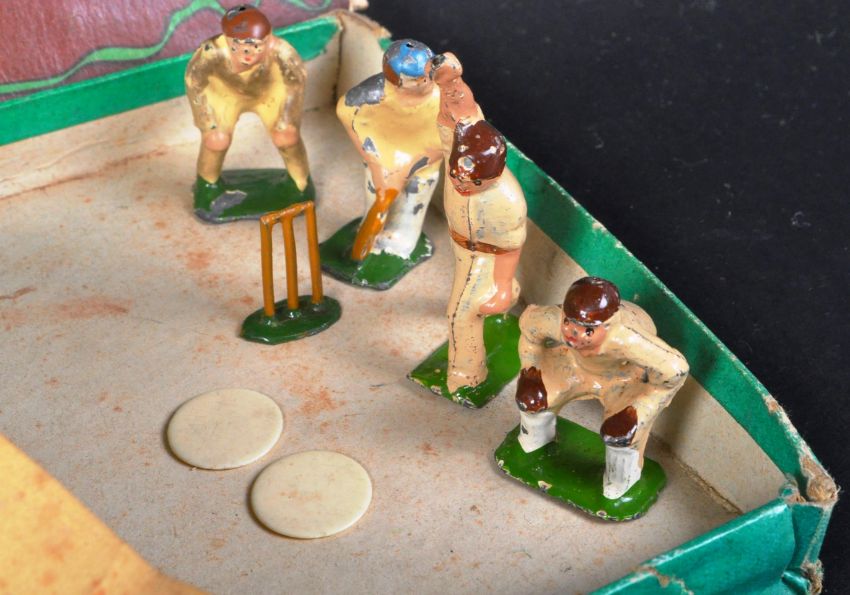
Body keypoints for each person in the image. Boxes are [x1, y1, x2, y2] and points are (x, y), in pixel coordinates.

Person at [514, 276, 689, 499]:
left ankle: (621, 483)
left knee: (621, 435)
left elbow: (675, 371)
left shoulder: (626, 340)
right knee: (532, 400)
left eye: (588, 331)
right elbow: (530, 331)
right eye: (568, 322)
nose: (573, 334)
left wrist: (644, 404)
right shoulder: (551, 320)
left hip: (624, 378)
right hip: (573, 365)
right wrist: (531, 370)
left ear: (607, 326)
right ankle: (533, 440)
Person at [431, 52, 527, 394]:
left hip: (484, 255)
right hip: (458, 240)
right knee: (465, 298)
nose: (461, 184)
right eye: (457, 175)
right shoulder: (460, 146)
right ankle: (510, 298)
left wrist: (501, 286)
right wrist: (450, 81)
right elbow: (461, 112)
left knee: (461, 313)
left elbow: (511, 248)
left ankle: (467, 374)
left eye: (473, 182)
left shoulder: (507, 200)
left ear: (494, 174)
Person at [336, 39, 443, 261]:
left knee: (414, 197)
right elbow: (344, 111)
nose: (427, 81)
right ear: (396, 82)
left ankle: (400, 240)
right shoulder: (372, 94)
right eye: (418, 79)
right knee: (376, 194)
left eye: (429, 74)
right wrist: (373, 159)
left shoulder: (444, 100)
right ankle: (371, 228)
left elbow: (447, 141)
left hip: (425, 158)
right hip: (383, 154)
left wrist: (409, 167)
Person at [185, 5, 309, 192]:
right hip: (225, 96)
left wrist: (286, 115)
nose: (247, 54)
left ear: (268, 39)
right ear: (227, 40)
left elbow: (295, 83)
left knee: (286, 136)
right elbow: (195, 82)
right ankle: (207, 184)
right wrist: (206, 118)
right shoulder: (211, 52)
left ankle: (300, 180)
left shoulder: (281, 52)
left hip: (269, 95)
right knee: (216, 140)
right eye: (238, 46)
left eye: (256, 46)